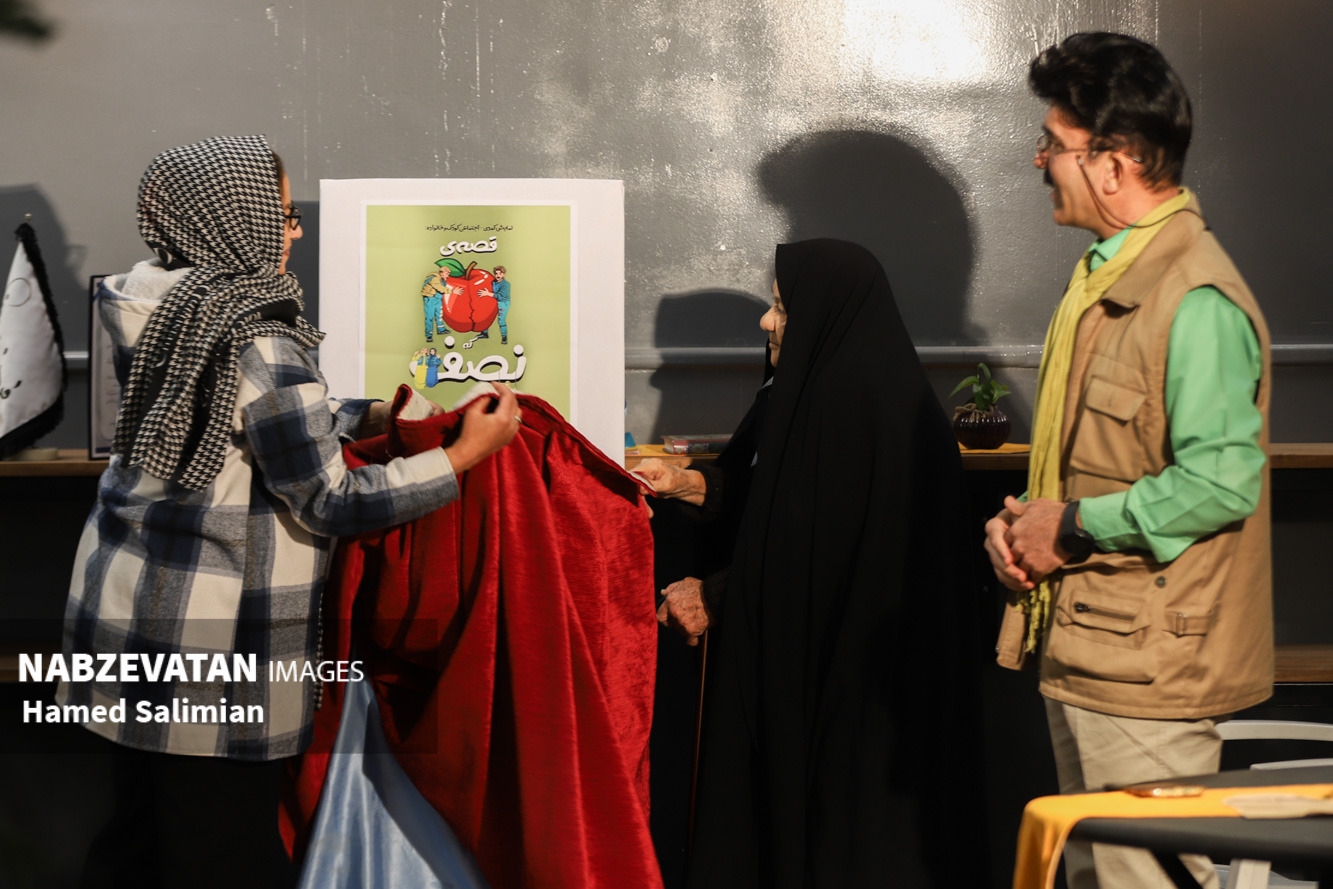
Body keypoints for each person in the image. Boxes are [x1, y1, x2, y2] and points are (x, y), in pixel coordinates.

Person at [58, 135, 521, 889]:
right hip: (213, 645)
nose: (294, 230)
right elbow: (329, 499)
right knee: (222, 858)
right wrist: (462, 456)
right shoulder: (255, 336)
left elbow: (248, 421)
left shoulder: (162, 308)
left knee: (138, 843)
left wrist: (369, 415)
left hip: (126, 615)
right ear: (232, 217)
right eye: (280, 214)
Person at [983, 33, 1272, 889]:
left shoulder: (1193, 297)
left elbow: (1220, 482)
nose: (1039, 160)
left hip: (1148, 670)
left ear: (1112, 164)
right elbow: (1094, 461)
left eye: (1053, 143)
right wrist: (1023, 529)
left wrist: (1070, 527)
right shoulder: (1105, 276)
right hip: (1092, 651)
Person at [640, 239, 983, 889]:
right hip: (811, 668)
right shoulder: (805, 392)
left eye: (782, 308)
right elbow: (775, 497)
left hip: (862, 695)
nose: (766, 321)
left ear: (825, 313)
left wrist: (720, 593)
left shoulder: (867, 404)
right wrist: (688, 484)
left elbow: (828, 551)